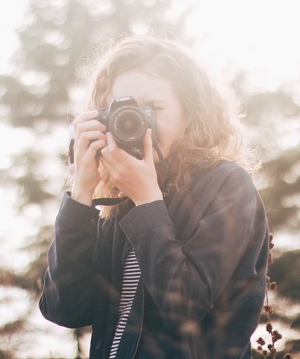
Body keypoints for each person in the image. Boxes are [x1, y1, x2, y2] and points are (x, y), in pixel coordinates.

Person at [39, 35, 270, 358]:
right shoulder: (121, 204)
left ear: (190, 113)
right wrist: (81, 195)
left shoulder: (227, 186)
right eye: (123, 109)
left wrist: (148, 203)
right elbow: (65, 309)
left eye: (153, 108)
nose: (137, 122)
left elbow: (186, 306)